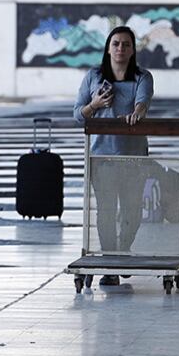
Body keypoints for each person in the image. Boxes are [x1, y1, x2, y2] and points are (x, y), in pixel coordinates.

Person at [74, 26, 153, 286]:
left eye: (126, 45)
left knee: (132, 209)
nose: (121, 49)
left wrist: (138, 112)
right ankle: (111, 263)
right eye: (116, 44)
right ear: (108, 48)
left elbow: (143, 102)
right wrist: (94, 105)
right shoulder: (93, 77)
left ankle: (123, 251)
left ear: (132, 50)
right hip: (102, 157)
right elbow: (77, 114)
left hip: (133, 157)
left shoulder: (142, 77)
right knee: (106, 211)